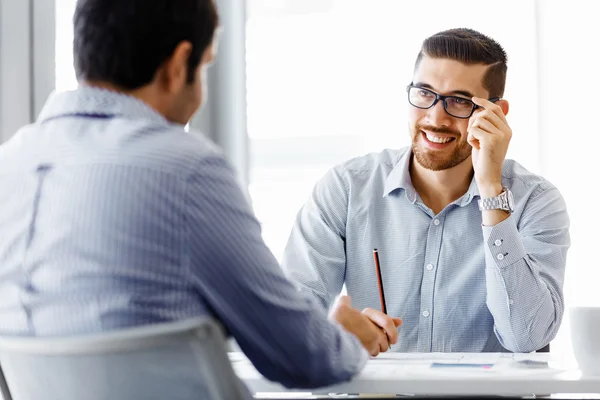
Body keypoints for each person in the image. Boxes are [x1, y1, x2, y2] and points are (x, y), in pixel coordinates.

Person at [0, 0, 402, 395]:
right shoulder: (184, 169)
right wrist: (346, 338)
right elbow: (303, 357)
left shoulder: (10, 162)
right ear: (178, 65)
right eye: (206, 67)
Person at [282, 28, 570, 353]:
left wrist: (491, 191)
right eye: (424, 93)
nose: (436, 117)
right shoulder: (347, 188)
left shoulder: (537, 201)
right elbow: (287, 321)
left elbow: (526, 337)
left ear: (496, 113)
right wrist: (331, 328)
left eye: (459, 101)